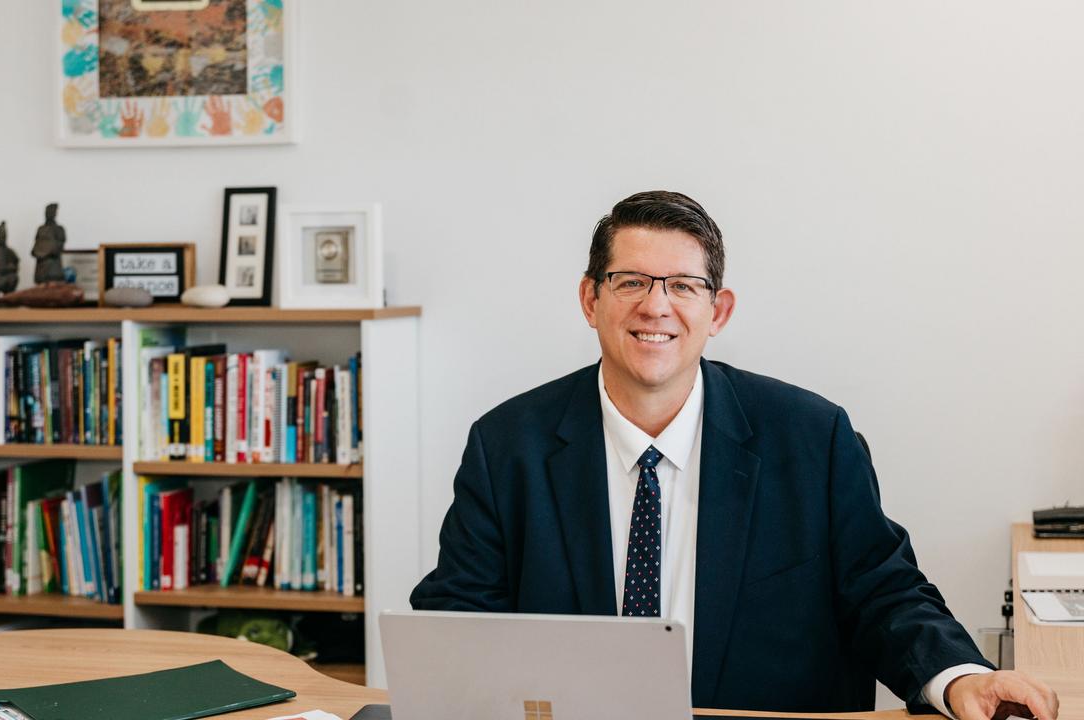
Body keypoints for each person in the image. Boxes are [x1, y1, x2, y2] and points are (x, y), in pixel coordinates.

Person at [410, 191, 1058, 720]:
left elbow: (884, 593)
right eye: (631, 280)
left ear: (717, 311)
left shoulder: (813, 438)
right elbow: (457, 621)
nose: (655, 306)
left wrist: (961, 677)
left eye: (683, 286)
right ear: (590, 300)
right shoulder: (506, 446)